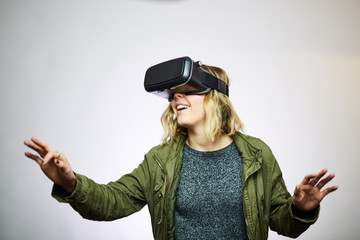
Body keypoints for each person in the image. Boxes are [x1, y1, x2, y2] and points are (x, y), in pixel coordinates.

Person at [24, 59, 338, 240]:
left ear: (215, 97)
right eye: (173, 94)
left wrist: (301, 208)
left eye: (187, 91)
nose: (176, 99)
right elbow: (111, 202)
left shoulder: (257, 155)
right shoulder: (159, 161)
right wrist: (69, 182)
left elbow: (283, 224)